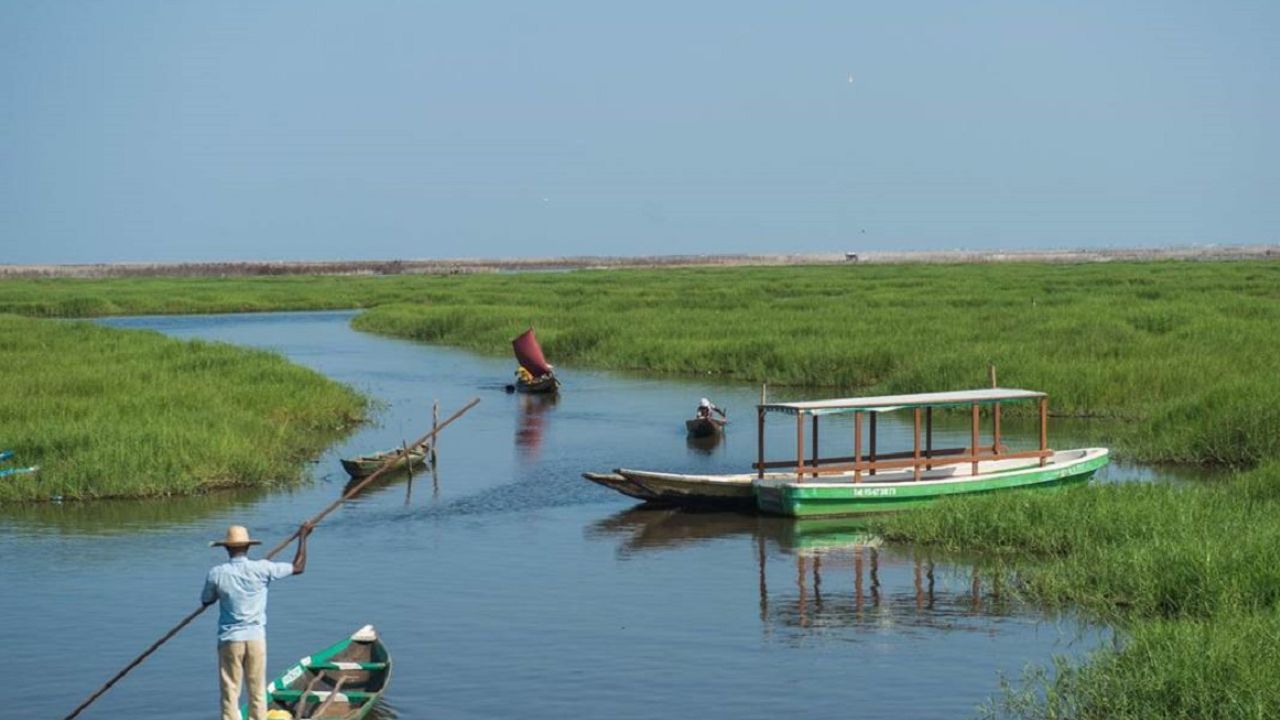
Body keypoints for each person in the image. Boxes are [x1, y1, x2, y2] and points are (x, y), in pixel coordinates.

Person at [202, 523, 312, 720]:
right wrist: (303, 537)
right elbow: (298, 567)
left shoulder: (217, 573)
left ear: (227, 548)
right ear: (248, 547)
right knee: (257, 690)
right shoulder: (262, 568)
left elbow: (206, 599)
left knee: (230, 691)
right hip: (255, 639)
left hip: (230, 640)